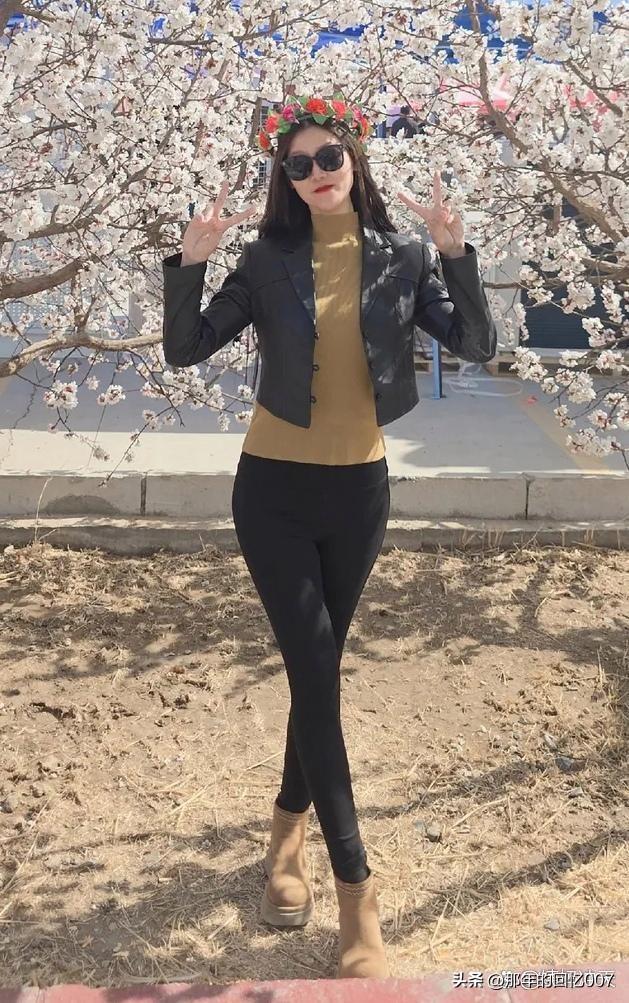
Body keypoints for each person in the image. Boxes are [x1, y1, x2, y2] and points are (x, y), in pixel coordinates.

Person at [162, 93, 497, 980]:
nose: (315, 173)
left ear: (354, 159)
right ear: (286, 176)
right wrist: (189, 264)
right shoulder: (264, 258)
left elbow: (474, 343)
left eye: (328, 157)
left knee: (317, 674)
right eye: (298, 164)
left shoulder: (401, 255)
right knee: (315, 673)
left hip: (359, 493)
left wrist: (455, 255)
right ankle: (356, 890)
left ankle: (283, 835)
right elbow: (186, 348)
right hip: (271, 491)